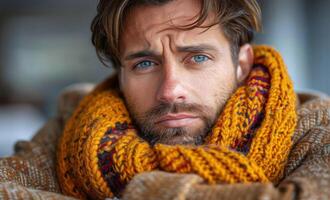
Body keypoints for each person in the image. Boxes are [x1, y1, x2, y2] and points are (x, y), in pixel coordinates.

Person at [1, 0, 329, 199]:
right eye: (145, 64)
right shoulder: (76, 123)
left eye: (197, 58)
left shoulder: (315, 124)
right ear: (121, 74)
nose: (171, 91)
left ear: (241, 65)